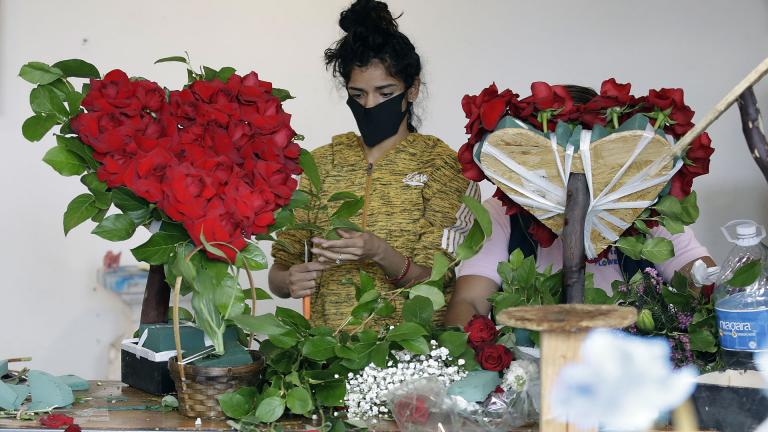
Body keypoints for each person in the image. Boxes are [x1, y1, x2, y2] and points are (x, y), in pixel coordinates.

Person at [269, 0, 478, 328]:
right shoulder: (322, 164)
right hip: (329, 358)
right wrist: (290, 280)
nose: (369, 104)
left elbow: (435, 282)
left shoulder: (442, 166)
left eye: (385, 93)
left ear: (412, 89)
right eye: (358, 94)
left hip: (412, 357)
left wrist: (379, 251)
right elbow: (279, 271)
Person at [444, 85, 717, 327]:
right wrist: (461, 353)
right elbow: (471, 300)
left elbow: (696, 273)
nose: (571, 168)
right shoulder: (502, 212)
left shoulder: (641, 203)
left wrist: (715, 286)